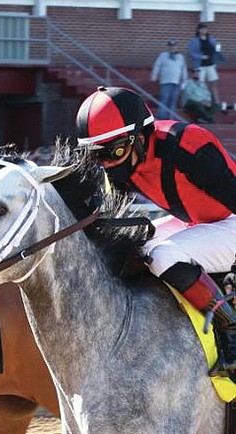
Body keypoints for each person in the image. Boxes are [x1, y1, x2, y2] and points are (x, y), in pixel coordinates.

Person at [76, 85, 236, 377]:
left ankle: (231, 330)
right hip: (199, 222)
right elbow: (111, 222)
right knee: (130, 246)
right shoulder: (124, 165)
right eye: (97, 157)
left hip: (231, 221)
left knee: (162, 254)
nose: (107, 165)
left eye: (114, 152)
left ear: (139, 138)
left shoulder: (189, 146)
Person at [188, 22, 223, 106]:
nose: (204, 30)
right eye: (202, 29)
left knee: (214, 81)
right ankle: (203, 100)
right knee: (201, 83)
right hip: (201, 65)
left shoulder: (210, 39)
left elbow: (215, 48)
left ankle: (216, 100)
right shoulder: (195, 40)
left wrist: (217, 52)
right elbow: (191, 52)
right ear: (199, 30)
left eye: (205, 29)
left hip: (210, 64)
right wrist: (201, 56)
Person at [151, 40, 188, 118]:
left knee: (173, 100)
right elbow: (157, 65)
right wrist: (154, 75)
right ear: (169, 47)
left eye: (174, 46)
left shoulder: (180, 57)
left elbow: (183, 69)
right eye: (171, 46)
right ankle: (162, 116)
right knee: (164, 99)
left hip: (176, 82)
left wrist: (184, 80)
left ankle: (171, 117)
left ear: (176, 47)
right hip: (165, 81)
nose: (173, 48)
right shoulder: (163, 55)